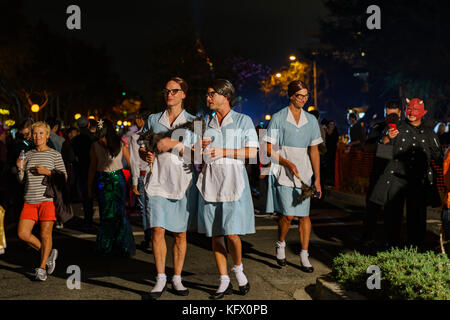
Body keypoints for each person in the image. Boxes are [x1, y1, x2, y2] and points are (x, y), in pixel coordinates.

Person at [197, 79, 258, 299]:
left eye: (212, 94)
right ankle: (223, 280)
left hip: (233, 179)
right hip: (211, 180)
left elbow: (252, 153)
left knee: (232, 233)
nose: (208, 98)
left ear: (226, 95)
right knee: (216, 233)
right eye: (207, 94)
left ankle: (238, 270)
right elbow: (194, 156)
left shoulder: (244, 121)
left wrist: (224, 150)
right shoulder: (202, 122)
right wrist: (197, 148)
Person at [139, 77, 199, 299]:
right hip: (157, 180)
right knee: (157, 230)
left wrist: (176, 144)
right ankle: (161, 277)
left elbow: (200, 155)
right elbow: (141, 147)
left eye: (174, 91)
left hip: (183, 182)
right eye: (166, 91)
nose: (169, 94)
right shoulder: (154, 119)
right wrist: (144, 154)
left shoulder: (195, 121)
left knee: (180, 234)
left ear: (184, 94)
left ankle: (177, 278)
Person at [263, 80, 322, 273]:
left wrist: (318, 180)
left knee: (304, 216)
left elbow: (314, 151)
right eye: (300, 96)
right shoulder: (279, 118)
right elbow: (268, 149)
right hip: (284, 173)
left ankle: (304, 255)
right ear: (291, 96)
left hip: (305, 174)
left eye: (306, 96)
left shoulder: (311, 120)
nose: (304, 99)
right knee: (287, 215)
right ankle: (281, 244)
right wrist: (287, 163)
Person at [370, 98, 443, 248]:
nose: (411, 113)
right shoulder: (395, 128)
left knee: (417, 216)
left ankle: (416, 247)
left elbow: (439, 157)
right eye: (409, 109)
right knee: (392, 214)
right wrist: (387, 138)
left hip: (418, 181)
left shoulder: (429, 133)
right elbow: (381, 153)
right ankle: (391, 245)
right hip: (396, 180)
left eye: (415, 110)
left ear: (423, 113)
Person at [16, 121, 67, 281]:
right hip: (29, 199)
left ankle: (42, 268)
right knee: (22, 234)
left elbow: (64, 177)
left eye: (41, 133)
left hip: (47, 200)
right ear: (31, 136)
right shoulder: (28, 154)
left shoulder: (54, 154)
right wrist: (20, 168)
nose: (37, 136)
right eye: (35, 133)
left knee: (46, 234)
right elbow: (21, 180)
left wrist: (48, 172)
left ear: (47, 135)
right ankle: (49, 253)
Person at [87, 119, 135, 257]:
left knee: (116, 212)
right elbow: (92, 167)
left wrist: (134, 181)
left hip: (112, 179)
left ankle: (116, 244)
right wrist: (89, 186)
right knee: (108, 212)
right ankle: (111, 244)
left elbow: (131, 163)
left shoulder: (119, 144)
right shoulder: (96, 145)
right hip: (107, 179)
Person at [362, 100, 402, 246]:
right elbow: (367, 147)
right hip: (379, 173)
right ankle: (367, 237)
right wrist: (384, 140)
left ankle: (392, 240)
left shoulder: (404, 128)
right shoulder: (378, 127)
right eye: (388, 115)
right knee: (372, 207)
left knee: (393, 210)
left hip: (397, 175)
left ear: (399, 113)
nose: (391, 118)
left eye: (394, 115)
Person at [129, 110, 152, 249]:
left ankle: (149, 238)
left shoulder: (136, 137)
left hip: (143, 175)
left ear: (140, 119)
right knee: (154, 209)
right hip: (156, 175)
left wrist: (134, 182)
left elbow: (134, 161)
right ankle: (155, 238)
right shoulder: (156, 135)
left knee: (144, 209)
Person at [72, 116, 97, 232]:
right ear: (88, 125)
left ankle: (88, 221)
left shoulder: (75, 141)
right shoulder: (94, 138)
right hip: (95, 169)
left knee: (86, 198)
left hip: (81, 170)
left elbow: (72, 157)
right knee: (97, 196)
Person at [325, 120, 339, 186]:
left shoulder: (336, 132)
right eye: (330, 124)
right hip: (326, 152)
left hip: (333, 152)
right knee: (326, 167)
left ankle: (331, 181)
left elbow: (335, 142)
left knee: (332, 167)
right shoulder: (325, 131)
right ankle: (326, 180)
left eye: (333, 124)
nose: (332, 125)